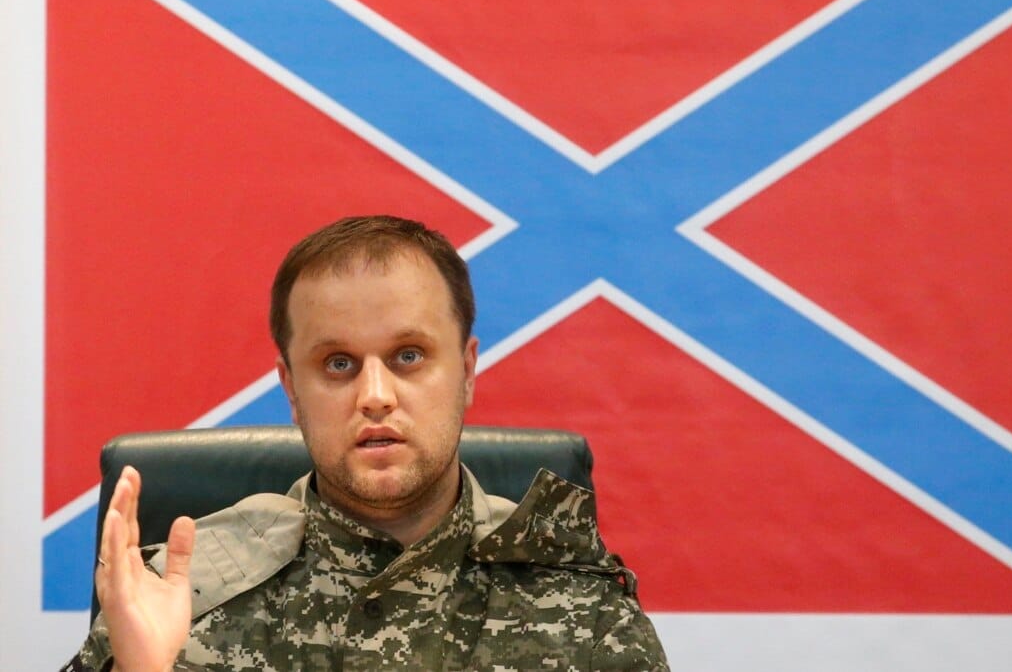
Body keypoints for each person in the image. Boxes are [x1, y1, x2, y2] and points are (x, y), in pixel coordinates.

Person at [63, 215, 668, 671]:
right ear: (291, 389)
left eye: (409, 356)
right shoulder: (181, 598)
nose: (375, 395)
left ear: (467, 370)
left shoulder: (581, 607)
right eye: (338, 364)